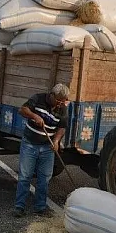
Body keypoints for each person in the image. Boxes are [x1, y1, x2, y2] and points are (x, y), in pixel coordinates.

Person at [12, 83, 69, 218]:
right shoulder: (38, 99)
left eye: (63, 101)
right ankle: (19, 207)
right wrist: (34, 116)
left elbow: (62, 127)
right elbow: (22, 110)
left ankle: (40, 208)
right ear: (52, 95)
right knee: (25, 176)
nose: (60, 104)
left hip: (47, 148)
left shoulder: (62, 109)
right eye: (59, 101)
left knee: (44, 179)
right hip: (30, 144)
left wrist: (56, 141)